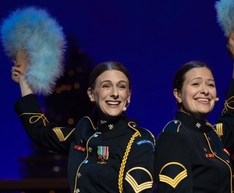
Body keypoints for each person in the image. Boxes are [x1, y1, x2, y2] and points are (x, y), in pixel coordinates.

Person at [11, 53, 155, 193]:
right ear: (91, 94)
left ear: (128, 96)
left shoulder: (139, 140)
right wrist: (25, 81)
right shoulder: (84, 131)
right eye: (106, 86)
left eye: (121, 86)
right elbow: (41, 132)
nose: (115, 93)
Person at [154, 33, 234, 193]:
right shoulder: (175, 135)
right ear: (178, 94)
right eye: (195, 84)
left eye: (210, 85)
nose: (205, 91)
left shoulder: (211, 135)